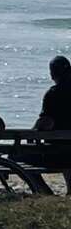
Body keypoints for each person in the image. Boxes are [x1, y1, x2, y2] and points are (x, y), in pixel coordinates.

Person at [34, 55, 71, 192]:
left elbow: (47, 123)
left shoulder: (53, 94)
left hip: (56, 154)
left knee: (16, 157)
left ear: (52, 74)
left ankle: (46, 192)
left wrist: (34, 130)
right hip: (67, 152)